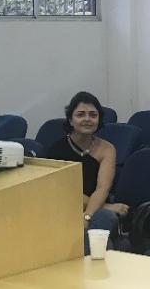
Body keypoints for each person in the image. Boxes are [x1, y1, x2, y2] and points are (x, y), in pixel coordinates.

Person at [44, 91, 128, 240]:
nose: (87, 119)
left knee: (103, 220)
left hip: (94, 207)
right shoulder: (55, 150)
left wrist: (87, 216)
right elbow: (65, 192)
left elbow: (103, 188)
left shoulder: (107, 148)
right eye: (81, 114)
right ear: (71, 120)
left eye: (93, 115)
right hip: (63, 205)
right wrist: (105, 206)